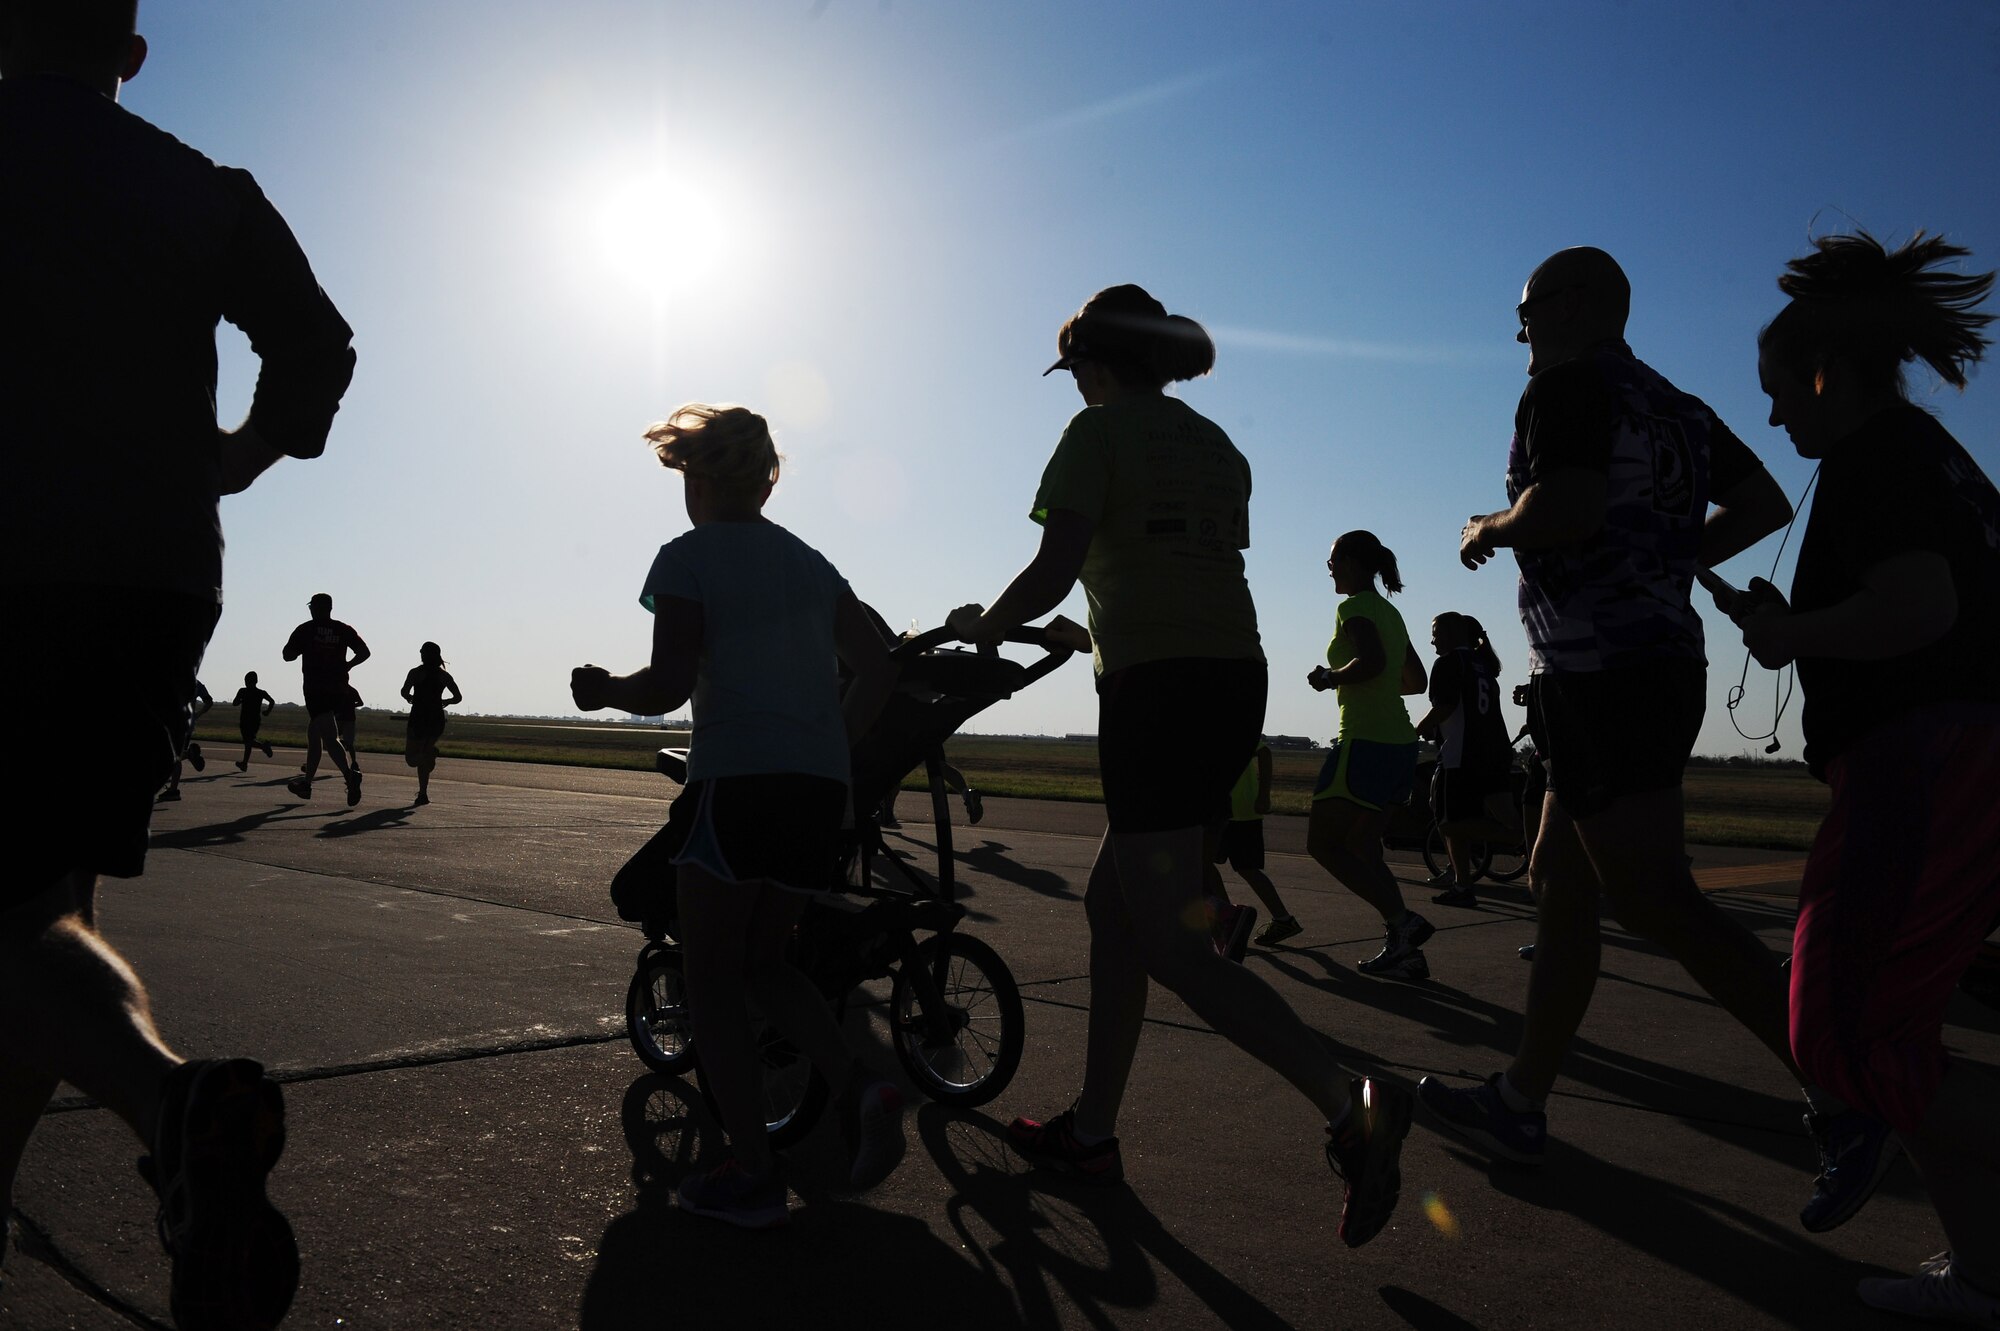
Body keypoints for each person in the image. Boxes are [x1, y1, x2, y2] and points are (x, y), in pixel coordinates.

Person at [1419, 248, 1897, 1227]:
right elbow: (1760, 503)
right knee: (1558, 879)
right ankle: (1517, 1101)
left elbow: (1568, 505)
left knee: (1653, 896)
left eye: (1522, 312)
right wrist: (1663, 552)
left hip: (1608, 672)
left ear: (1565, 308)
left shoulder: (1566, 385)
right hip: (1620, 668)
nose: (1516, 334)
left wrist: (1487, 526)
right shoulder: (1670, 401)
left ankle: (1844, 1094)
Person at [0, 1, 354, 1323]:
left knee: (18, 917)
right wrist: (241, 457)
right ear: (131, 54)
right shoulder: (205, 190)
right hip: (148, 585)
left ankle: (168, 1094)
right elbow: (319, 347)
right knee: (41, 908)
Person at [948, 284, 1412, 1249]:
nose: (1073, 385)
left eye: (1074, 369)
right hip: (1231, 679)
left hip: (1156, 689)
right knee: (1113, 908)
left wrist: (985, 629)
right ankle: (1092, 1132)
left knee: (1168, 941)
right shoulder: (1216, 446)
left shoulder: (1099, 434)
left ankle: (1348, 1102)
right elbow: (1180, 565)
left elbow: (1056, 563)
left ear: (1095, 361)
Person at [1730, 231, 2000, 1321]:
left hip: (1921, 763)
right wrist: (1793, 627)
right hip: (1957, 757)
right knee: (1899, 1038)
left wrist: (1791, 632)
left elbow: (1917, 608)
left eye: (1776, 395)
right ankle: (1982, 1274)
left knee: (1839, 1039)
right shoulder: (1935, 453)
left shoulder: (1871, 458)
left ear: (1822, 373)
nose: (1774, 419)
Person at [571, 403, 904, 1229]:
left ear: (702, 479)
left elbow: (669, 684)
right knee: (767, 962)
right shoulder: (811, 561)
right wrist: (831, 739)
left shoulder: (687, 558)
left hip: (738, 780)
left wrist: (606, 688)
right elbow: (878, 667)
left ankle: (753, 1170)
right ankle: (864, 1085)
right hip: (815, 789)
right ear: (766, 481)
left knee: (711, 976)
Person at [1305, 531, 1431, 977]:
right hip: (1400, 743)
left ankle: (1403, 921)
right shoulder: (1391, 613)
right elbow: (1416, 680)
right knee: (1362, 846)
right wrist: (1373, 685)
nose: (1330, 567)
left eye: (1334, 559)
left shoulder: (1353, 606)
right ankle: (1404, 950)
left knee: (1322, 844)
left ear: (1357, 563)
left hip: (1364, 741)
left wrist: (1330, 677)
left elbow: (1373, 663)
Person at [1414, 613, 1514, 908]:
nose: (1432, 639)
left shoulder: (1447, 663)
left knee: (1449, 824)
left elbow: (1445, 707)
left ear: (1451, 633)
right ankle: (1462, 881)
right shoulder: (1482, 665)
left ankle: (1464, 882)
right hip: (1495, 752)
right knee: (1504, 814)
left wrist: (1416, 730)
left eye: (1436, 632)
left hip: (1462, 756)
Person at [281, 593, 367, 805]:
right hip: (338, 689)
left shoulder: (306, 629)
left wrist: (298, 650)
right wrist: (348, 665)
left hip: (316, 689)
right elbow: (364, 652)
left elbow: (287, 655)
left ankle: (349, 776)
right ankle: (307, 785)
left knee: (329, 737)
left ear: (314, 608)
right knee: (314, 734)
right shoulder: (342, 629)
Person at [1212, 742, 1302, 946]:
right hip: (1234, 808)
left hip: (1235, 808)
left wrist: (1263, 794)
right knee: (1242, 867)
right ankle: (1281, 919)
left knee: (1204, 865)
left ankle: (1229, 921)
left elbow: (1263, 751)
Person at [400, 642, 462, 806]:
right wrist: (446, 701)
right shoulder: (444, 676)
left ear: (425, 655)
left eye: (422, 652)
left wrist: (409, 697)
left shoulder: (415, 673)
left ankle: (429, 757)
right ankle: (423, 794)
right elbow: (458, 697)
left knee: (411, 759)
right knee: (424, 757)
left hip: (419, 718)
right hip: (436, 719)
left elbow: (404, 691)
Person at [158, 680, 212, 802]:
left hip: (173, 723)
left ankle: (173, 790)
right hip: (187, 724)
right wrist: (197, 715)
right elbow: (209, 702)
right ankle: (188, 755)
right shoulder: (196, 683)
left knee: (171, 756)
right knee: (174, 755)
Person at [230, 671, 276, 771]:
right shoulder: (261, 693)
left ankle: (263, 746)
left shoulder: (242, 691)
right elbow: (272, 701)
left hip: (245, 720)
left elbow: (234, 703)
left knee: (248, 741)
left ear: (246, 681)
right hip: (256, 720)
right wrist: (267, 711)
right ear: (256, 681)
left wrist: (242, 700)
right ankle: (244, 764)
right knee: (248, 741)